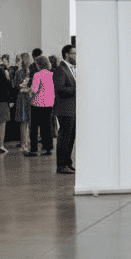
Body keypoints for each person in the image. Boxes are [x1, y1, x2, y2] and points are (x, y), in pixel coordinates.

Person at [53, 44, 77, 175]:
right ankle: (61, 165)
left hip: (72, 108)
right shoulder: (60, 69)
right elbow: (60, 89)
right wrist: (77, 89)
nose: (76, 56)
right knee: (64, 138)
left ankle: (68, 162)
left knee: (71, 138)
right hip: (64, 109)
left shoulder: (70, 68)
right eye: (74, 53)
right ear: (67, 54)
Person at [27, 55, 55, 156]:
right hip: (49, 103)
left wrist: (29, 92)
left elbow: (34, 90)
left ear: (38, 64)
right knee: (47, 126)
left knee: (34, 127)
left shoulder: (37, 75)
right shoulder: (52, 74)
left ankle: (33, 149)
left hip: (37, 103)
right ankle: (48, 148)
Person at [13, 53, 34, 152]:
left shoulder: (20, 72)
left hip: (24, 97)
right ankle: (26, 142)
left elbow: (16, 85)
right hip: (29, 96)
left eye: (19, 59)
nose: (18, 61)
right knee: (27, 121)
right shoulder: (30, 71)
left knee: (24, 121)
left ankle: (24, 143)